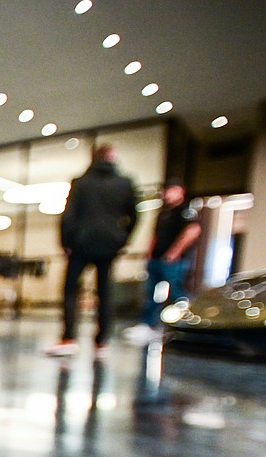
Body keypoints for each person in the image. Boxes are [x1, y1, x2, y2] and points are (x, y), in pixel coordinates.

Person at [45, 145, 138, 358]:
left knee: (70, 288)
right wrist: (122, 239)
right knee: (105, 291)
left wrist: (65, 242)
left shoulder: (81, 183)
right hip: (109, 244)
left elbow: (68, 215)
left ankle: (68, 337)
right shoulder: (124, 183)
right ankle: (101, 342)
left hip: (81, 243)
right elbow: (134, 216)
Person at [122, 181, 200, 344]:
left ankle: (187, 325)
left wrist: (174, 252)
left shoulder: (186, 211)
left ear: (181, 191)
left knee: (177, 292)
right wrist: (149, 252)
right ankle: (148, 325)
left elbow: (192, 231)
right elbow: (155, 234)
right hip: (156, 259)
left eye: (172, 190)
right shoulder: (163, 212)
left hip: (173, 261)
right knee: (151, 293)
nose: (168, 194)